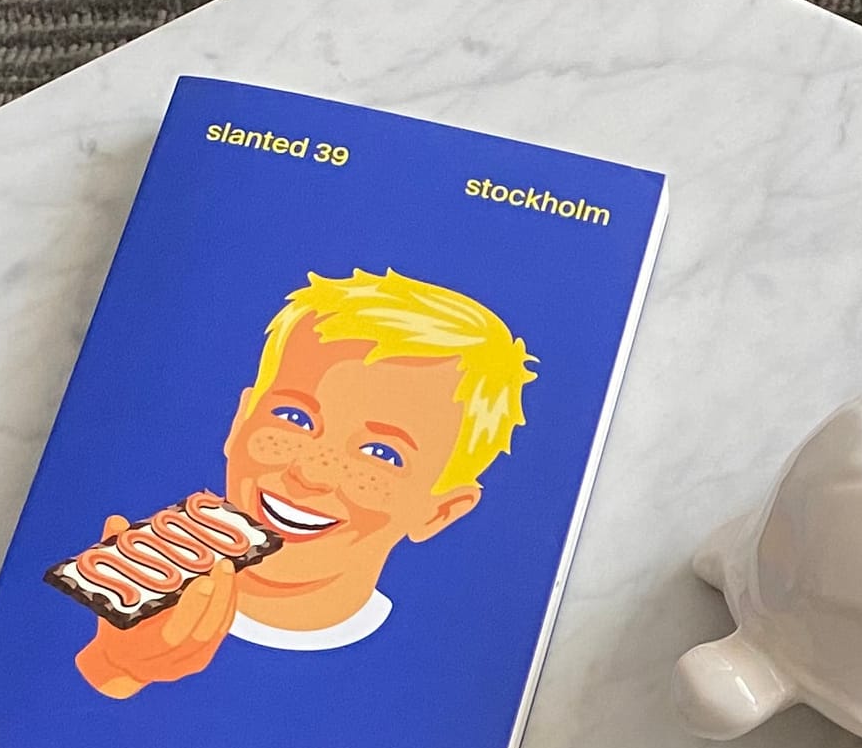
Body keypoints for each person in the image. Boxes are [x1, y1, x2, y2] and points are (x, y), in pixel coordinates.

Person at [75, 267, 535, 699]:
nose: (311, 471)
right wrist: (117, 666)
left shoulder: (441, 682)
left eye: (381, 454)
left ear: (439, 512)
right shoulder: (109, 582)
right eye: (293, 418)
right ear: (240, 423)